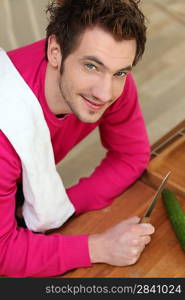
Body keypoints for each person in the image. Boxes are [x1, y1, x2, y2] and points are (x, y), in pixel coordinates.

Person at [0, 0, 154, 277]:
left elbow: (131, 155)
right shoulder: (4, 132)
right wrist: (100, 247)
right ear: (55, 52)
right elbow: (3, 253)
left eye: (119, 72)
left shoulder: (112, 83)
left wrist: (64, 204)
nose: (105, 94)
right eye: (92, 67)